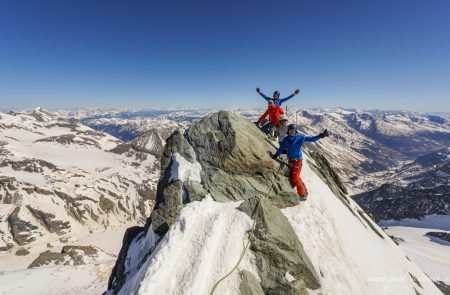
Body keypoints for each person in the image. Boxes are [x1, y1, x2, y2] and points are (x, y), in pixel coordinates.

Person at [272, 124, 329, 200]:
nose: (292, 132)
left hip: (298, 161)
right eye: (290, 131)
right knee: (294, 177)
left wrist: (320, 136)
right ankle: (300, 184)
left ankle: (302, 195)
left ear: (296, 131)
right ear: (288, 131)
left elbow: (311, 139)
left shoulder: (300, 137)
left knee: (295, 178)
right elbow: (281, 148)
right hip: (291, 161)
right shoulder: (286, 139)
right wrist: (276, 154)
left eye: (293, 131)